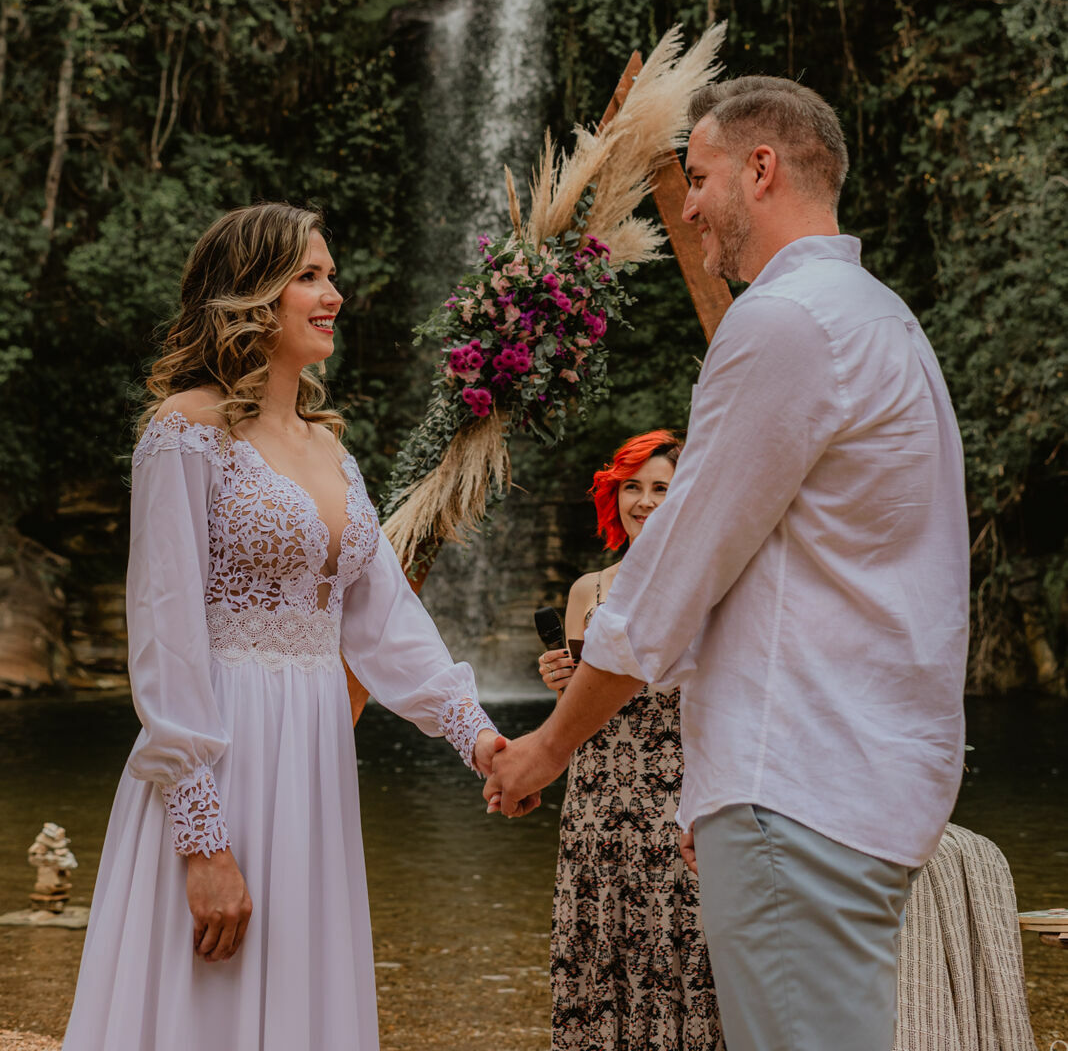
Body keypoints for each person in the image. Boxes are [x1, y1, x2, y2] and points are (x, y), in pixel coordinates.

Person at [486, 75, 971, 1051]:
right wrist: (718, 784)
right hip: (852, 774)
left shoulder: (787, 322)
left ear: (761, 168)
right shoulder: (884, 320)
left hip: (802, 781)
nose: (689, 207)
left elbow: (675, 571)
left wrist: (549, 745)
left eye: (699, 178)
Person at [63, 203, 503, 1051]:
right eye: (309, 276)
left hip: (313, 758)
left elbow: (384, 622)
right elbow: (163, 633)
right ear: (251, 294)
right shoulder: (184, 431)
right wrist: (203, 843)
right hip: (220, 757)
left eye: (330, 275)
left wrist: (479, 739)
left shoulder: (332, 451)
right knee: (205, 1004)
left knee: (301, 989)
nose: (333, 294)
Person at [537, 430, 720, 1051]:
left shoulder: (706, 581)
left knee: (683, 948)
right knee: (601, 948)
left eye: (661, 488)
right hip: (596, 799)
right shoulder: (587, 590)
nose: (643, 501)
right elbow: (578, 710)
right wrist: (562, 683)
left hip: (676, 792)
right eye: (631, 487)